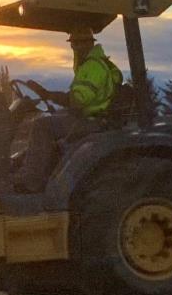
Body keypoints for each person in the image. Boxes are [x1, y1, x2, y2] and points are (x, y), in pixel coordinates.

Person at [14, 30, 124, 192]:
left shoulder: (93, 66)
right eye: (73, 43)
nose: (75, 47)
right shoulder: (89, 64)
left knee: (42, 126)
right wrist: (44, 97)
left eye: (79, 43)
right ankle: (31, 168)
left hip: (92, 120)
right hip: (89, 115)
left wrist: (49, 95)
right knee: (51, 117)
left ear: (89, 43)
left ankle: (31, 181)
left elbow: (77, 100)